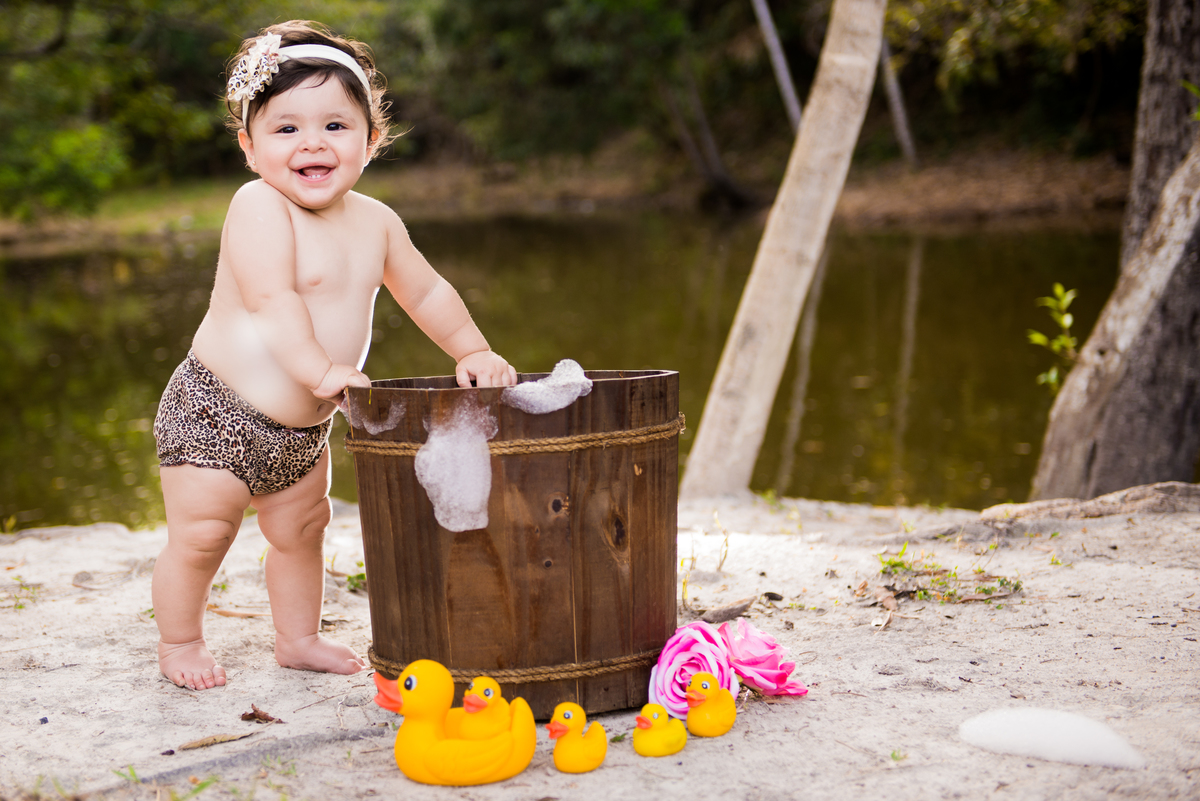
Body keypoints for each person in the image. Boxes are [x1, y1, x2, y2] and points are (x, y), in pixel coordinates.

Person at [151, 20, 517, 691]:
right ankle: (181, 641)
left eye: (336, 126)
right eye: (286, 128)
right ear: (249, 146)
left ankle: (298, 637)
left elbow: (427, 291)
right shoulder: (258, 206)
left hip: (302, 429)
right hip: (214, 410)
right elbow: (273, 300)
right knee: (203, 534)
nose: (312, 142)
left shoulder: (378, 222)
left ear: (371, 139)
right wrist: (321, 371)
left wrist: (472, 347)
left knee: (303, 529)